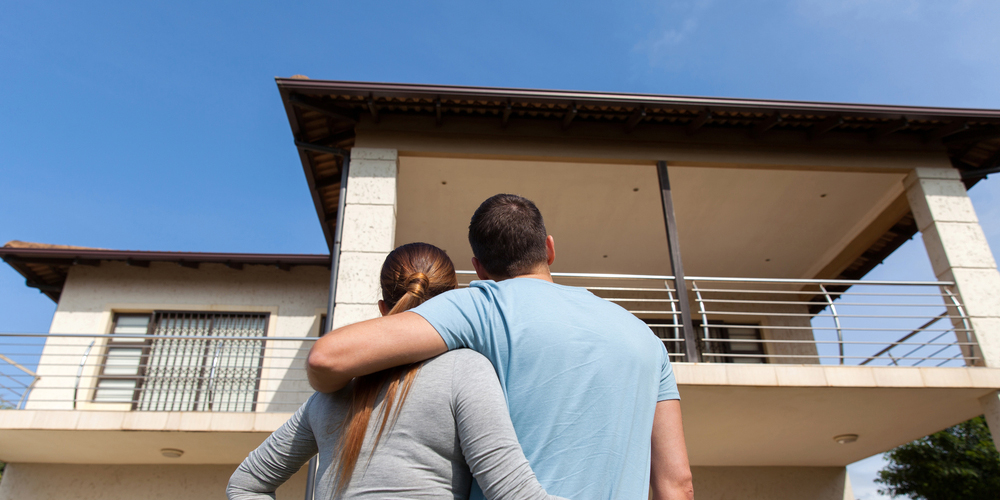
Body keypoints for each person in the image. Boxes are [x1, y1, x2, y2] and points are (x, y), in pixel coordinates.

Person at [307, 194, 694, 500]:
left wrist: (327, 401)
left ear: (477, 267)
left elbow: (328, 357)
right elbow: (677, 485)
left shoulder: (482, 304)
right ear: (549, 248)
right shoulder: (645, 337)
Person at [228, 242, 565, 500]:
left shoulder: (330, 394)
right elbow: (514, 494)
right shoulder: (465, 371)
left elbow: (245, 484)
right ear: (452, 304)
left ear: (382, 308)